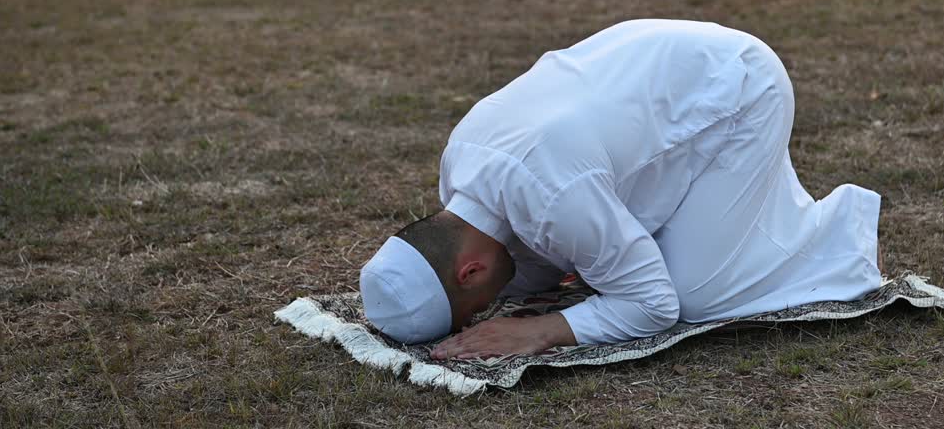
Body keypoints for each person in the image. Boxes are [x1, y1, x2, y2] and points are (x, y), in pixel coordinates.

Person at [359, 19, 882, 359]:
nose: (490, 311)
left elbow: (655, 306)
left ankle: (834, 234)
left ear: (469, 270)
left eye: (476, 308)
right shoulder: (459, 162)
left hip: (741, 89)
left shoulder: (554, 197)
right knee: (602, 266)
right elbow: (532, 255)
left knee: (696, 295)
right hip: (671, 68)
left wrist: (539, 332)